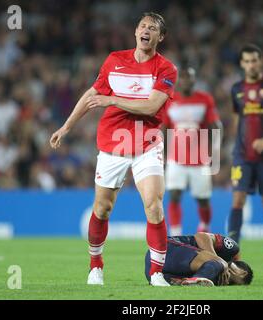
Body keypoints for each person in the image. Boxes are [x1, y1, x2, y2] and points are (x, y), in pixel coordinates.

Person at [50, 12, 178, 286]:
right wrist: (67, 127)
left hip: (147, 144)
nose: (146, 30)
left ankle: (157, 273)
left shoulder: (166, 69)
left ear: (160, 37)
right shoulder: (114, 60)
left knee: (154, 205)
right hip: (112, 144)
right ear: (135, 32)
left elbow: (151, 107)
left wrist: (112, 100)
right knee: (102, 209)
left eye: (153, 28)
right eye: (143, 26)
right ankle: (96, 265)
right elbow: (90, 95)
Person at [227, 44, 263, 262]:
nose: (251, 64)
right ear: (242, 64)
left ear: (261, 61)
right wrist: (237, 143)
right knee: (237, 199)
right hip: (242, 156)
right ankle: (232, 251)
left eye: (255, 60)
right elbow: (236, 118)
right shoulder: (236, 89)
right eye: (247, 61)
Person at [163, 67, 222, 236]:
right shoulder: (169, 100)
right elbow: (164, 127)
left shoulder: (204, 100)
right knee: (174, 195)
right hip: (176, 158)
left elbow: (216, 126)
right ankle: (175, 234)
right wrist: (163, 154)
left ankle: (204, 226)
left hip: (200, 159)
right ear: (178, 80)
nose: (186, 81)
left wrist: (215, 153)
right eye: (183, 78)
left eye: (190, 77)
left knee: (202, 199)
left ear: (194, 80)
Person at [144, 232, 253, 286]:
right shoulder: (231, 249)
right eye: (231, 275)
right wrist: (220, 261)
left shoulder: (215, 277)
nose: (227, 280)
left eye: (231, 283)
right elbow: (201, 236)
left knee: (215, 267)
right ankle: (194, 280)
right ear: (242, 272)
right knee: (217, 265)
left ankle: (189, 281)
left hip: (156, 274)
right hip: (165, 251)